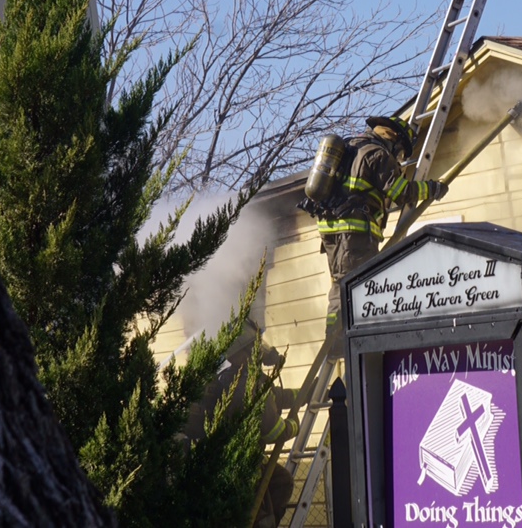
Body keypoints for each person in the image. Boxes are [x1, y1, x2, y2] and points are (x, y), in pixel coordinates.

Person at [316, 115, 448, 354]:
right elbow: (401, 192)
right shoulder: (378, 155)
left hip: (331, 232)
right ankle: (343, 342)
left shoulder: (351, 149)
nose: (399, 158)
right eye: (400, 153)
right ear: (394, 139)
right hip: (355, 234)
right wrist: (433, 188)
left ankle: (333, 341)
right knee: (355, 287)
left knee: (339, 284)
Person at [183, 321, 298, 528]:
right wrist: (293, 425)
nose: (259, 352)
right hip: (239, 465)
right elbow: (272, 431)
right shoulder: (247, 383)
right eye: (254, 347)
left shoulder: (229, 379)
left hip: (220, 462)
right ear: (243, 352)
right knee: (266, 503)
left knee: (279, 482)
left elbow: (274, 396)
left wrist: (304, 394)